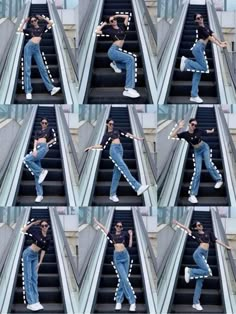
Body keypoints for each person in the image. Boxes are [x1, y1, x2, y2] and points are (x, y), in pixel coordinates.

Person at [84, 118, 149, 202]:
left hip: (120, 149)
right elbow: (101, 146)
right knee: (124, 166)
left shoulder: (117, 130)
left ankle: (112, 194)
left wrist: (137, 138)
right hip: (113, 150)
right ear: (107, 124)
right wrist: (91, 147)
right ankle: (138, 187)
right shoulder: (107, 135)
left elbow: (127, 134)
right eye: (110, 124)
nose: (112, 125)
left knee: (117, 174)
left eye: (113, 124)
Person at [173, 219, 231, 311]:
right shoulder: (195, 234)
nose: (200, 226)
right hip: (198, 253)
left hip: (205, 255)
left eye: (201, 224)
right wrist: (177, 223)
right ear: (196, 227)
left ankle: (195, 302)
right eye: (198, 225)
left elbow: (216, 241)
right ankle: (190, 271)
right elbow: (186, 228)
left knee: (200, 281)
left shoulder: (208, 232)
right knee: (207, 271)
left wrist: (226, 246)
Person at [170, 118, 223, 204]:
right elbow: (172, 136)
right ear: (189, 124)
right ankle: (192, 195)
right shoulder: (185, 134)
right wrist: (179, 127)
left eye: (195, 125)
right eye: (192, 124)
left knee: (208, 165)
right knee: (197, 171)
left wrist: (212, 131)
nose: (194, 126)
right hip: (197, 151)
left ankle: (219, 180)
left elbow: (206, 131)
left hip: (204, 147)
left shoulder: (198, 131)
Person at [179, 13, 227, 103]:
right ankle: (186, 62)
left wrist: (221, 42)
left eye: (201, 17)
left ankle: (194, 95)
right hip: (198, 48)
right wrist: (219, 45)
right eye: (198, 18)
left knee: (198, 73)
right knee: (204, 68)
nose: (200, 18)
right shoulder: (200, 28)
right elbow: (209, 37)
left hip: (200, 49)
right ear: (196, 21)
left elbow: (213, 35)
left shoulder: (206, 26)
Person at [93, 217, 136, 312]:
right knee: (124, 278)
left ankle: (119, 301)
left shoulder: (124, 234)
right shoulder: (112, 236)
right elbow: (104, 228)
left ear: (122, 228)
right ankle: (132, 301)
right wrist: (97, 222)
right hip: (117, 257)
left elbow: (129, 245)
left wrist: (131, 235)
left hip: (125, 256)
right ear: (115, 227)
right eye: (117, 226)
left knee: (122, 278)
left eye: (120, 226)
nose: (119, 227)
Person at [95, 14, 140, 99]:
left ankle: (116, 64)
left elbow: (127, 17)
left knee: (130, 64)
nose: (114, 21)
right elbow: (97, 31)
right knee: (130, 59)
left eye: (115, 19)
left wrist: (116, 15)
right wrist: (105, 23)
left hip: (118, 51)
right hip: (113, 51)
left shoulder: (122, 27)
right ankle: (128, 88)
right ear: (110, 23)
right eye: (112, 21)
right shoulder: (109, 30)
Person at [18, 15, 61, 100]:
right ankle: (28, 91)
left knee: (43, 68)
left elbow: (51, 23)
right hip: (29, 47)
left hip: (37, 49)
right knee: (27, 69)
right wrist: (24, 22)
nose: (33, 22)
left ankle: (51, 88)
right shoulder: (30, 30)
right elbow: (19, 30)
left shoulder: (42, 28)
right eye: (32, 21)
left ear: (37, 20)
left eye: (34, 20)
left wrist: (43, 18)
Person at [23, 117, 56, 203]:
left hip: (43, 147)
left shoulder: (49, 130)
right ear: (40, 123)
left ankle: (41, 171)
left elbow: (53, 139)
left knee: (27, 159)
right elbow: (35, 140)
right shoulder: (37, 131)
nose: (44, 124)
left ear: (47, 124)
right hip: (37, 148)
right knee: (37, 176)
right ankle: (40, 195)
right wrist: (34, 149)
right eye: (43, 122)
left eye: (45, 123)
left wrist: (47, 144)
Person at [21, 219, 50, 312]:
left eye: (46, 225)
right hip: (28, 254)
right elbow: (23, 230)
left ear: (48, 226)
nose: (44, 227)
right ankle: (30, 302)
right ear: (40, 227)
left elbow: (44, 250)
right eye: (42, 225)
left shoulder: (48, 238)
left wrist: (40, 262)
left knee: (34, 278)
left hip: (35, 256)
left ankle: (36, 301)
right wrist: (33, 223)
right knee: (28, 277)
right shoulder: (36, 232)